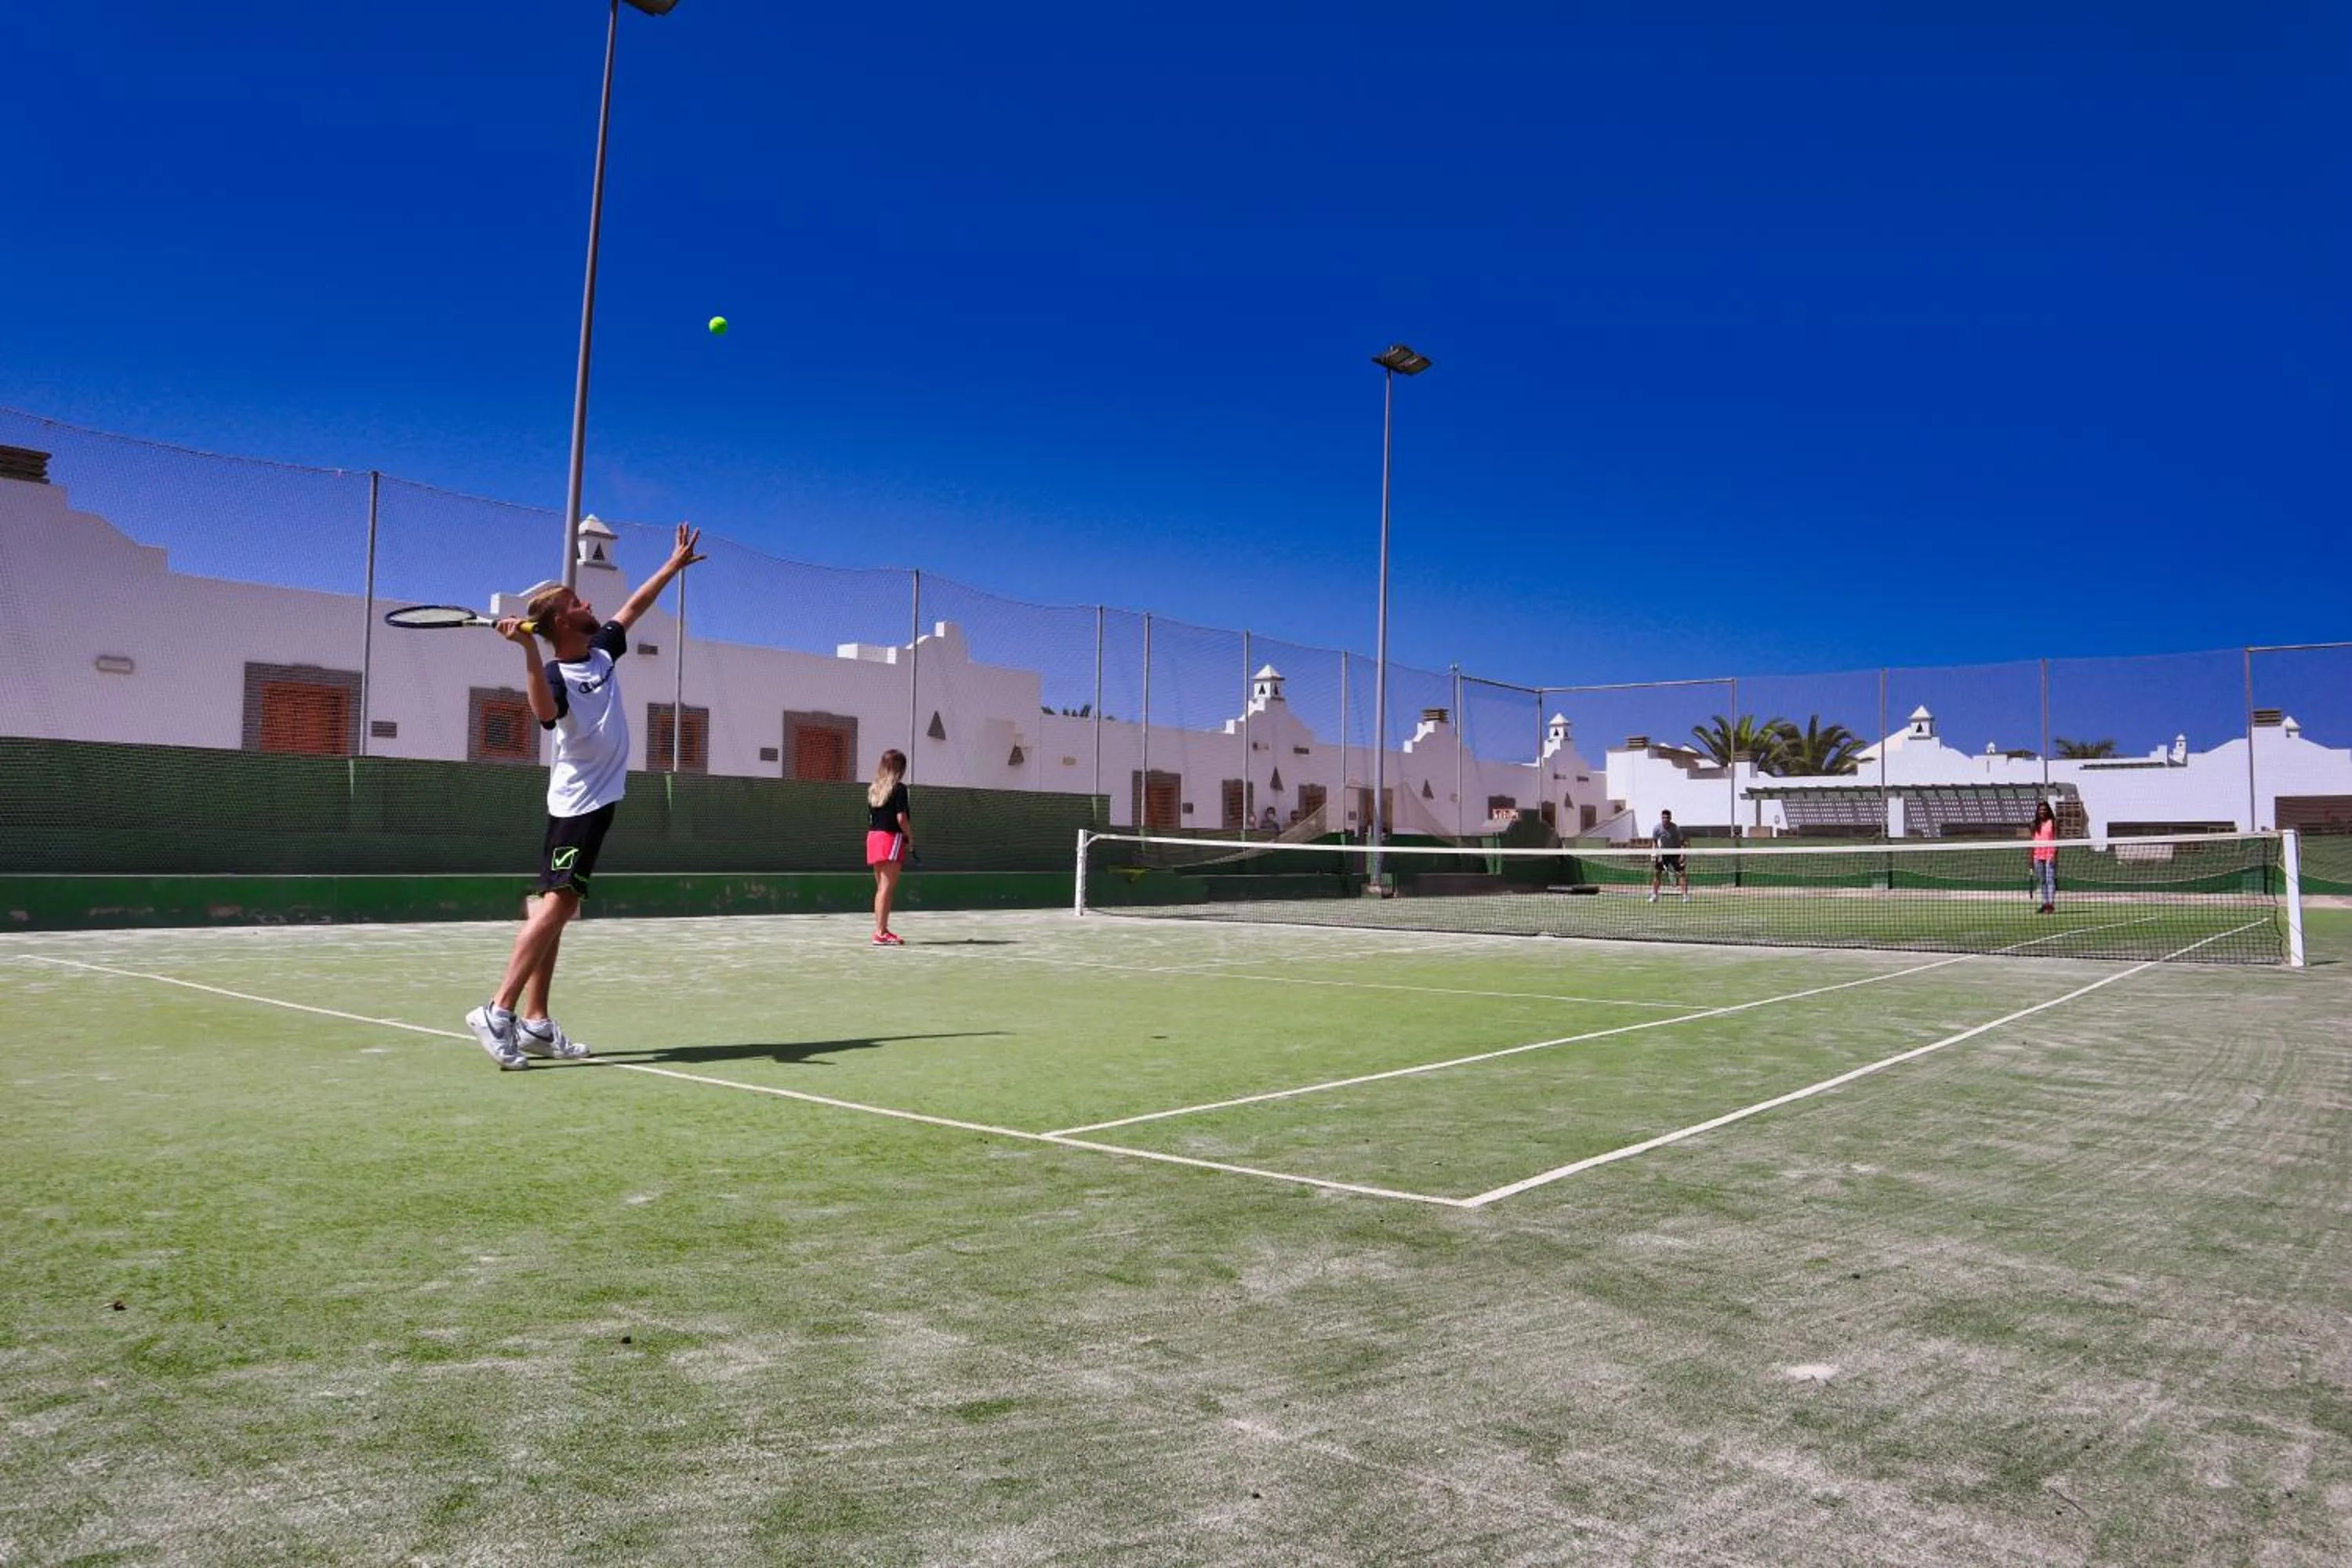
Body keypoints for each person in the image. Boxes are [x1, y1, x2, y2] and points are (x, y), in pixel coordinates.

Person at [464, 523, 706, 1068]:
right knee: (559, 905)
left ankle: (537, 1023)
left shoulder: (600, 652)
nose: (592, 603)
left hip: (599, 802)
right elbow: (545, 717)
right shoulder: (554, 674)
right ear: (559, 622)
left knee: (558, 906)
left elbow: (635, 607)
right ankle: (497, 1011)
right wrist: (527, 651)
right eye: (578, 602)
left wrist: (672, 565)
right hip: (576, 805)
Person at [866, 747, 913, 946]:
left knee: (881, 889)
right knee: (887, 888)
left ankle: (881, 931)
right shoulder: (900, 789)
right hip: (890, 838)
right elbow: (901, 818)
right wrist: (910, 837)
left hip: (873, 838)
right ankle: (880, 932)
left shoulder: (874, 789)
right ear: (900, 768)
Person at [1648, 809, 1690, 903]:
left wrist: (1683, 855)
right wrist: (1657, 854)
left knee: (1682, 874)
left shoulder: (1676, 829)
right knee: (1657, 873)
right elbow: (1655, 841)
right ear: (1661, 818)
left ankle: (1685, 896)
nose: (1665, 819)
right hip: (1663, 853)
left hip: (1675, 853)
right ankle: (1654, 895)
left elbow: (1683, 843)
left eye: (1667, 818)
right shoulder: (1657, 829)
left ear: (1670, 818)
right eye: (1663, 818)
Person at [2030, 799, 2059, 914]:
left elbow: (2056, 839)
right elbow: (2032, 841)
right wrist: (2030, 858)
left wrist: (2055, 855)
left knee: (2050, 880)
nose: (2042, 811)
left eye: (2044, 809)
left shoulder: (2053, 822)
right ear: (2038, 811)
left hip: (2049, 854)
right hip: (2038, 856)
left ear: (2048, 811)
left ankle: (2050, 904)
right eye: (2041, 809)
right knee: (2042, 881)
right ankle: (2045, 903)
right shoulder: (2034, 825)